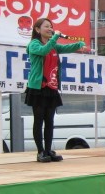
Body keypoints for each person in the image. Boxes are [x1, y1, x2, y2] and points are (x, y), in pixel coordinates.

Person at [20, 17, 84, 163]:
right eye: (46, 27)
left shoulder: (54, 45)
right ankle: (40, 151)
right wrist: (55, 37)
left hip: (52, 86)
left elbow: (66, 48)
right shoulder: (34, 44)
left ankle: (48, 150)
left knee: (49, 120)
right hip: (38, 87)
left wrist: (79, 44)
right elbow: (44, 51)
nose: (50, 29)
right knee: (39, 119)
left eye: (51, 26)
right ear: (37, 30)